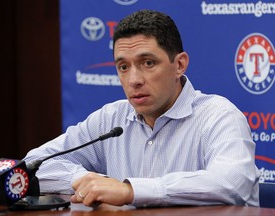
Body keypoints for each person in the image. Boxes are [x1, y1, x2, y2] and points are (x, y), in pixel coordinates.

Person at [23, 10, 260, 207]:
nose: (134, 79)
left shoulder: (219, 116)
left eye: (148, 63)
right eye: (123, 67)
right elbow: (32, 165)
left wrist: (130, 190)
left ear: (179, 65)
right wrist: (86, 180)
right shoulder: (111, 118)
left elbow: (232, 182)